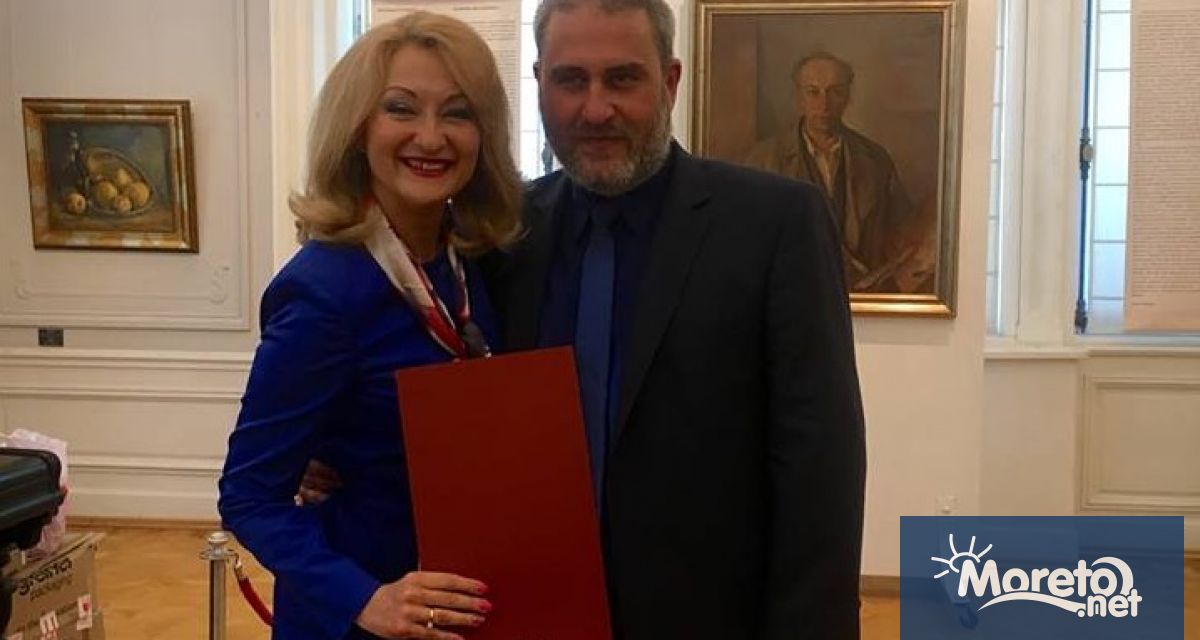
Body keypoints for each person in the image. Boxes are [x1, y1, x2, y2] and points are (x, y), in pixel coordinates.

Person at [486, 0, 867, 636]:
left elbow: (820, 465)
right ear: (539, 82)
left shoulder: (776, 224)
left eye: (623, 78)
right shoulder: (503, 235)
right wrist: (330, 454)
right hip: (538, 611)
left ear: (670, 80)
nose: (596, 109)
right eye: (571, 79)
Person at [218, 12, 522, 640]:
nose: (431, 137)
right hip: (363, 617)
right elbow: (248, 495)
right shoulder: (323, 290)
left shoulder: (473, 261)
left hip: (464, 601)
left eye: (458, 113)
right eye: (401, 108)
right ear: (358, 128)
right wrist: (368, 600)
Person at [744, 52, 915, 293]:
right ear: (799, 98)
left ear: (847, 97)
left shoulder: (876, 160)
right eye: (813, 92)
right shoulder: (763, 159)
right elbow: (748, 240)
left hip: (861, 296)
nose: (824, 105)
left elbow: (902, 233)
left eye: (835, 92)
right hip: (790, 294)